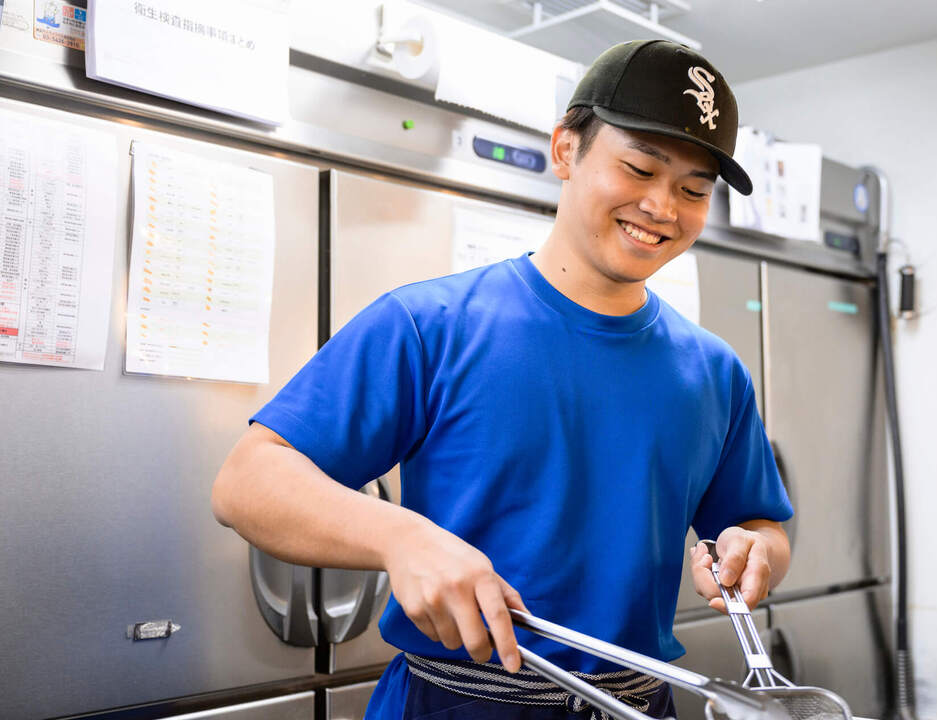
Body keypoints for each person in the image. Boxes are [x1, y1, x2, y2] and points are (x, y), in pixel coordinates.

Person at [212, 39, 792, 719]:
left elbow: (758, 525)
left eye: (694, 190)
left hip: (637, 705)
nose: (663, 208)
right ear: (566, 149)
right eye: (639, 168)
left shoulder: (713, 371)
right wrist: (401, 537)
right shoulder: (431, 324)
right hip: (453, 702)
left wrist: (756, 553)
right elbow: (248, 482)